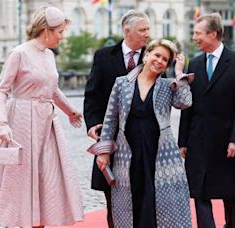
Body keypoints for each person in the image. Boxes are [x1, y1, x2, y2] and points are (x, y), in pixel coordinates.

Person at [0, 6, 84, 227]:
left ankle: (40, 221)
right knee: (23, 178)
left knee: (46, 176)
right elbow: (1, 91)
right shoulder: (19, 53)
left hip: (47, 122)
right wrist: (3, 124)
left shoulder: (49, 55)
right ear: (46, 30)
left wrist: (70, 110)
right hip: (21, 120)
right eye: (59, 32)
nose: (62, 37)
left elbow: (52, 88)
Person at [96, 39, 193, 228]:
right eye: (157, 55)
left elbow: (185, 102)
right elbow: (110, 118)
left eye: (165, 60)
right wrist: (104, 151)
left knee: (157, 201)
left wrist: (180, 72)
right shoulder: (122, 83)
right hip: (128, 153)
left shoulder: (168, 85)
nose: (160, 61)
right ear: (147, 54)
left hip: (160, 153)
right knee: (132, 199)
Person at [178, 13, 235, 228]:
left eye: (198, 33)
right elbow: (188, 105)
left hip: (227, 138)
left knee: (229, 191)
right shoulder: (194, 63)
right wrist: (183, 141)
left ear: (213, 34)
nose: (194, 37)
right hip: (199, 138)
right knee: (199, 190)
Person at [83, 10, 150, 228]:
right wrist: (93, 124)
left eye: (148, 29)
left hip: (143, 141)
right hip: (111, 141)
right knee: (113, 198)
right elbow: (92, 95)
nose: (147, 34)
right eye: (143, 30)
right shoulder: (103, 56)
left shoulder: (153, 56)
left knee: (143, 197)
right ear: (127, 31)